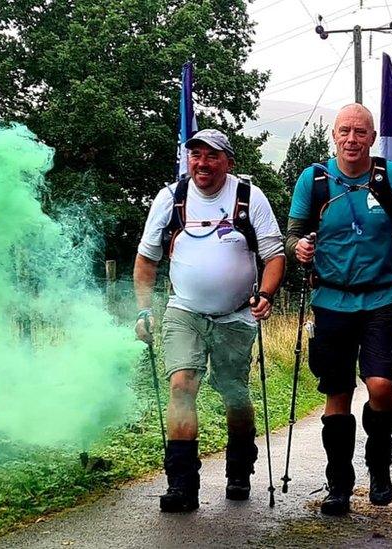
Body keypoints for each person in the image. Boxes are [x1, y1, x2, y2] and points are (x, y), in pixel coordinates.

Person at [285, 103, 392, 516]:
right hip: (330, 299)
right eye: (344, 131)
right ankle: (339, 483)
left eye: (360, 132)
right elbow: (293, 233)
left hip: (382, 297)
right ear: (334, 135)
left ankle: (379, 461)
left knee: (381, 387)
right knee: (337, 393)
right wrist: (300, 248)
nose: (352, 139)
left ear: (372, 138)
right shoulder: (313, 181)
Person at [133, 128, 286, 512]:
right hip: (183, 310)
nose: (202, 163)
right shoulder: (171, 199)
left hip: (236, 315)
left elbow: (274, 255)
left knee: (234, 392)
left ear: (228, 162)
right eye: (195, 155)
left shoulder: (249, 198)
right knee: (182, 385)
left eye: (212, 156)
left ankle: (239, 468)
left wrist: (265, 295)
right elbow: (146, 259)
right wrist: (144, 310)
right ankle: (182, 485)